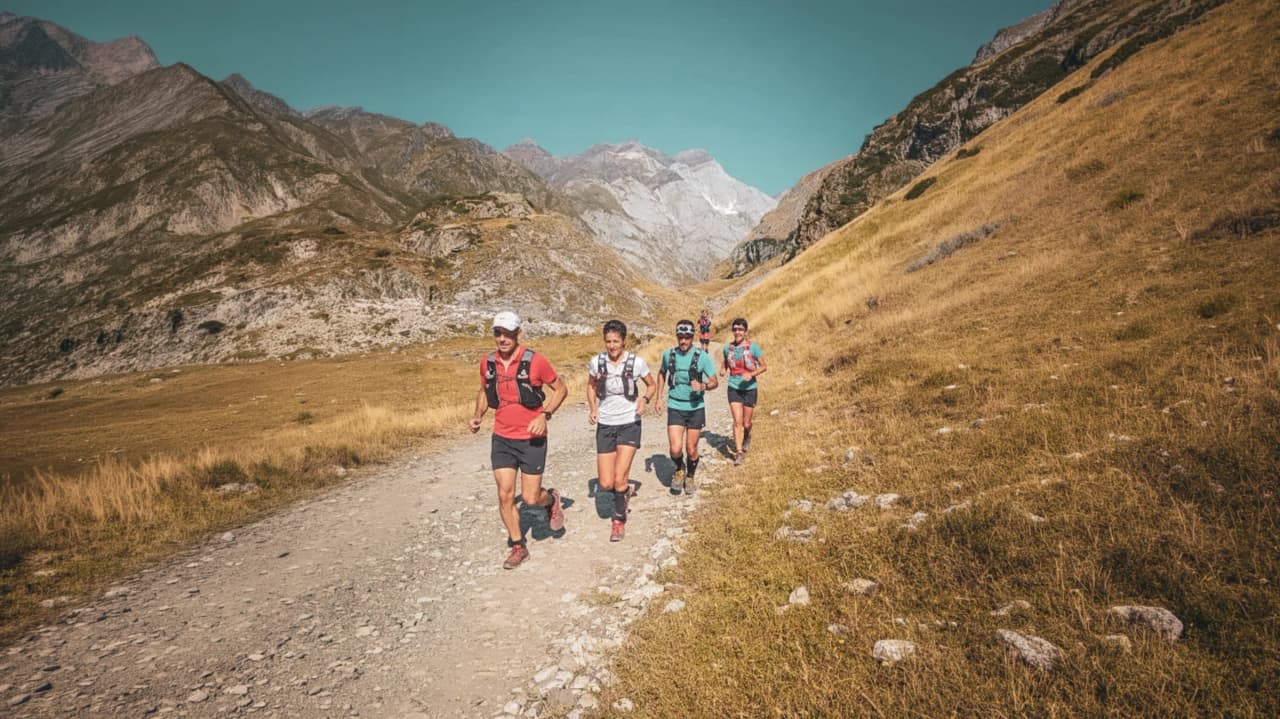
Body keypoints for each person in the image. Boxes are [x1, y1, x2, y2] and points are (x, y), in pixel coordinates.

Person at [469, 311, 569, 569]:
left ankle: (551, 499)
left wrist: (545, 415)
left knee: (530, 498)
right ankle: (518, 546)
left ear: (518, 334)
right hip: (502, 437)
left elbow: (561, 389)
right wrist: (478, 415)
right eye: (498, 333)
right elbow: (484, 391)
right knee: (505, 494)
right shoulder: (488, 363)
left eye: (508, 334)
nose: (502, 339)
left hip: (531, 438)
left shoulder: (535, 361)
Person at [587, 320, 656, 542]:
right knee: (606, 483)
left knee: (619, 478)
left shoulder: (636, 363)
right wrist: (593, 408)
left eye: (616, 341)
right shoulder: (596, 363)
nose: (612, 346)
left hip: (629, 422)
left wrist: (644, 399)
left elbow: (651, 385)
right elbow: (590, 386)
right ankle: (624, 491)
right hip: (606, 424)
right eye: (608, 341)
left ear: (624, 341)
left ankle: (618, 521)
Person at [655, 319, 719, 494]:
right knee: (675, 448)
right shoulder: (669, 355)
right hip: (675, 405)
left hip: (695, 408)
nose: (683, 341)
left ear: (692, 337)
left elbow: (715, 381)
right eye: (680, 337)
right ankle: (679, 468)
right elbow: (661, 373)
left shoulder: (702, 357)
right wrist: (658, 398)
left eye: (687, 337)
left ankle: (690, 475)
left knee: (691, 449)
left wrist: (703, 386)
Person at [721, 317, 766, 466]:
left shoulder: (754, 348)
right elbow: (725, 363)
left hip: (750, 389)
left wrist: (751, 374)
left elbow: (763, 366)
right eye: (735, 329)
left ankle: (748, 435)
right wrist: (723, 370)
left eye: (740, 329)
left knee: (746, 423)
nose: (737, 332)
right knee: (737, 421)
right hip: (733, 388)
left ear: (745, 332)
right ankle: (739, 452)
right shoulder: (727, 348)